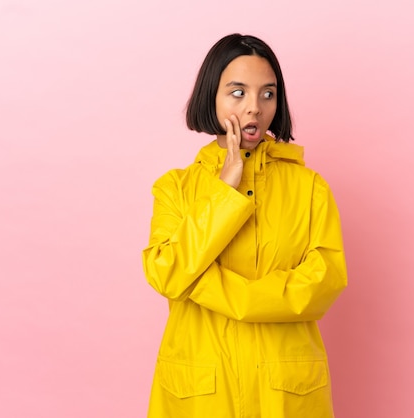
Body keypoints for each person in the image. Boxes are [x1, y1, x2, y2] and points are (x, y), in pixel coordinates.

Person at [142, 33, 347, 418]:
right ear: (212, 97)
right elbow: (166, 275)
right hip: (201, 391)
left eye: (267, 94)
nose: (255, 108)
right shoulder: (175, 188)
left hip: (284, 391)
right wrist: (226, 188)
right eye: (238, 93)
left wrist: (212, 289)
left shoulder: (310, 189)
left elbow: (323, 284)